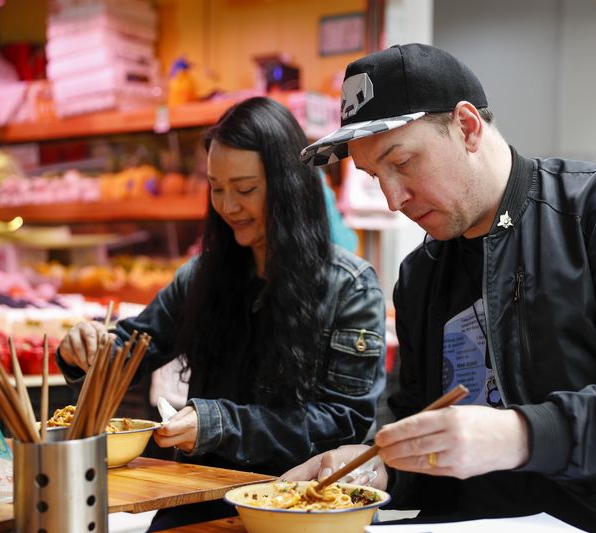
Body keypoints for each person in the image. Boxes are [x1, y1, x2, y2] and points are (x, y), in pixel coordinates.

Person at [284, 44, 596, 532]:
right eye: (374, 176)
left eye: (403, 162)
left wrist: (520, 435)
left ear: (467, 126)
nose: (393, 199)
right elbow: (422, 426)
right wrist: (379, 465)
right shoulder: (420, 276)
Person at [57, 96, 386, 530]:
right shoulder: (202, 276)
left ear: (288, 186)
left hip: (295, 505)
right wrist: (86, 352)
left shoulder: (350, 287)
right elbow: (134, 350)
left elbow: (345, 421)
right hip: (199, 498)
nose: (228, 206)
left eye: (245, 189)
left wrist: (221, 423)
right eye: (216, 188)